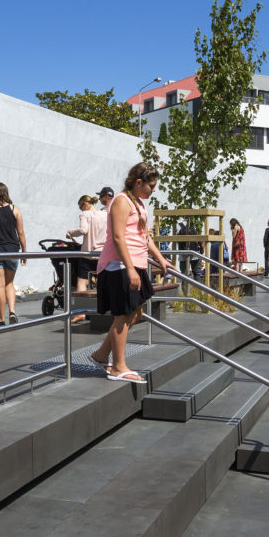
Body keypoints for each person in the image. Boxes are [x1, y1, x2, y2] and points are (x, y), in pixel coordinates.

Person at [89, 162, 172, 383]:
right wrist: (131, 269)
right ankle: (118, 367)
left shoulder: (138, 204)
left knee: (136, 314)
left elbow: (145, 237)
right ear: (138, 183)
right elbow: (117, 237)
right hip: (120, 266)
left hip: (136, 263)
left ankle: (101, 355)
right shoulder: (121, 201)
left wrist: (160, 258)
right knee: (123, 315)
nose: (153, 190)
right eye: (151, 186)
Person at [0, 182, 28, 328]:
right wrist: (24, 252)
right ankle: (13, 311)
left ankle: (1, 318)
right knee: (9, 284)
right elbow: (20, 233)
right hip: (12, 250)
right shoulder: (15, 210)